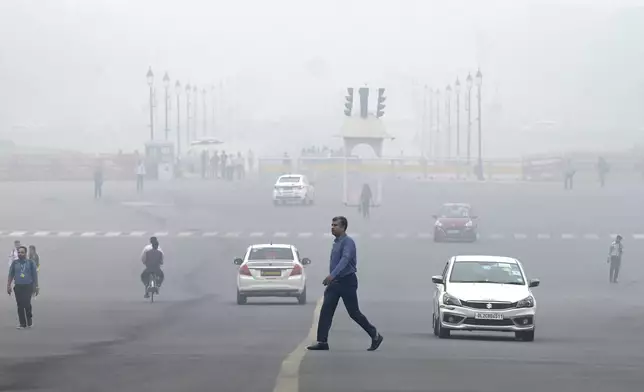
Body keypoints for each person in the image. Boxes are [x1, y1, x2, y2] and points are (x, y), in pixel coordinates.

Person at [307, 216, 383, 351]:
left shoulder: (348, 242)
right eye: (332, 225)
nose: (332, 227)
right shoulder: (336, 242)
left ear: (343, 227)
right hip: (335, 283)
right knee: (326, 311)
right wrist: (333, 278)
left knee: (354, 313)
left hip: (347, 281)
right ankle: (322, 341)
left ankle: (375, 335)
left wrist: (332, 275)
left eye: (335, 225)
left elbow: (345, 259)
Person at [7, 246, 39, 329]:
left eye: (22, 252)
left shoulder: (30, 263)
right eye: (19, 252)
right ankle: (22, 323)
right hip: (18, 286)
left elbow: (35, 276)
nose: (20, 254)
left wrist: (36, 286)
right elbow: (10, 274)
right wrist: (8, 286)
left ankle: (29, 321)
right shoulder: (15, 263)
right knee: (20, 305)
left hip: (28, 286)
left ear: (25, 253)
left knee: (27, 304)